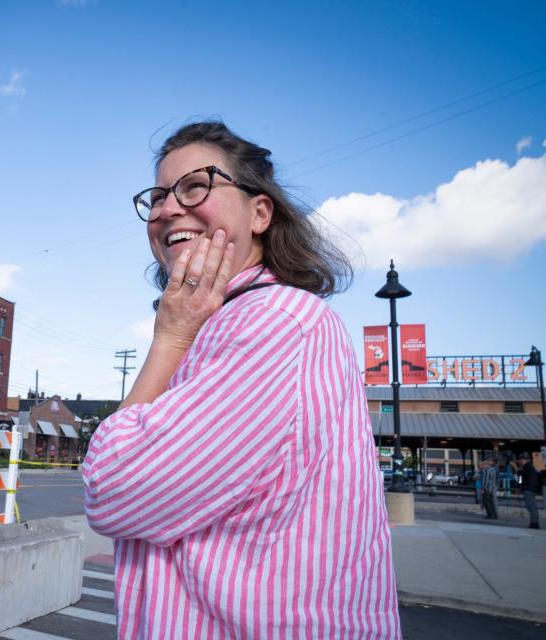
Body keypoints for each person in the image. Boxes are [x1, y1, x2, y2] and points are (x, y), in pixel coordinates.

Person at [83, 121, 400, 638]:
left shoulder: (273, 322)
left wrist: (169, 339)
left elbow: (115, 488)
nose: (167, 209)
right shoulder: (223, 325)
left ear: (259, 212)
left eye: (195, 186)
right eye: (158, 195)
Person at [516, 453, 541, 529]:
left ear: (523, 460)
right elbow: (521, 478)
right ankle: (533, 523)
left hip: (529, 489)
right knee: (530, 507)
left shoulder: (528, 466)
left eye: (519, 460)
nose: (519, 462)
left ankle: (534, 524)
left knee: (532, 508)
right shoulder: (525, 467)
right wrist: (520, 487)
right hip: (529, 489)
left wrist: (515, 468)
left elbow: (522, 475)